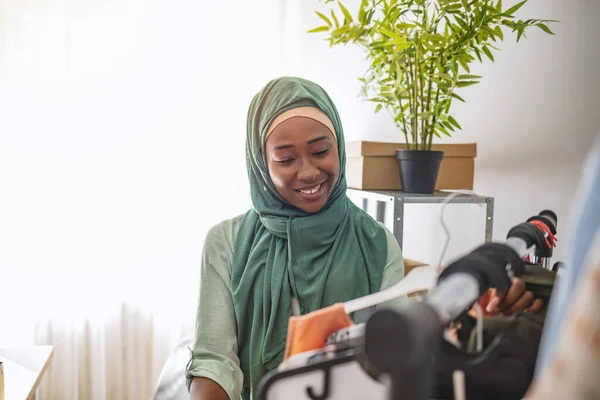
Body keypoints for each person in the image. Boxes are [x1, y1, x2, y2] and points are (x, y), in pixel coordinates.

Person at [185, 76, 542, 400]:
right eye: (286, 159)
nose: (309, 172)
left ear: (338, 146)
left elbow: (401, 352)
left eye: (321, 151)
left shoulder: (375, 243)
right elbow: (214, 360)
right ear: (261, 164)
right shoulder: (226, 243)